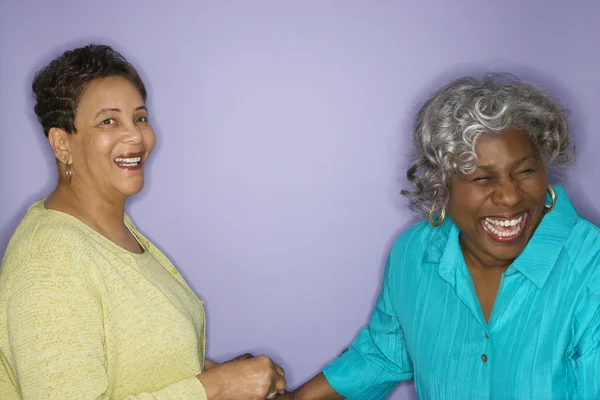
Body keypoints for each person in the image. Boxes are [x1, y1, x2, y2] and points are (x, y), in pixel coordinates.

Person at [280, 74, 600, 399]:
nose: (509, 196)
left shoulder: (591, 269)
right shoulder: (415, 254)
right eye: (482, 178)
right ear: (442, 185)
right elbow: (383, 356)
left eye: (525, 172)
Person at [0, 44, 286, 400]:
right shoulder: (49, 263)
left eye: (139, 117)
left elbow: (129, 362)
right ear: (61, 144)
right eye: (109, 121)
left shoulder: (106, 230)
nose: (135, 136)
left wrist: (222, 374)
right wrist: (217, 388)